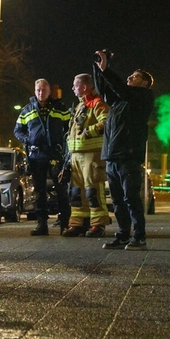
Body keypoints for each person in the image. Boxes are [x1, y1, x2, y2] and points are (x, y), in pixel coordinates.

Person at [93, 51, 155, 250]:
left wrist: (106, 69)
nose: (129, 77)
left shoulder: (143, 97)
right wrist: (98, 68)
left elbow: (120, 88)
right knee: (118, 201)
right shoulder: (120, 101)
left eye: (135, 76)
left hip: (128, 156)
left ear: (144, 83)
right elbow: (104, 90)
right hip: (112, 156)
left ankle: (139, 237)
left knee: (131, 199)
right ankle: (123, 235)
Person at [14, 78, 71, 235]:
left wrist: (65, 146)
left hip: (55, 154)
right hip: (36, 156)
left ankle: (64, 223)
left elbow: (69, 127)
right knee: (39, 191)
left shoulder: (60, 108)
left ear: (49, 91)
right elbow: (17, 130)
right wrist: (28, 139)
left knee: (61, 189)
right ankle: (42, 224)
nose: (41, 93)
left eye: (44, 90)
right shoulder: (27, 110)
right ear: (35, 91)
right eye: (38, 90)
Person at [61, 73, 111, 238]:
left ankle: (98, 224)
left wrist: (88, 132)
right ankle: (77, 224)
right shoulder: (79, 106)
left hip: (92, 156)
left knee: (93, 191)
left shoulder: (97, 103)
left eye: (75, 85)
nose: (72, 88)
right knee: (76, 193)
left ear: (84, 87)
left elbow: (106, 123)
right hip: (76, 156)